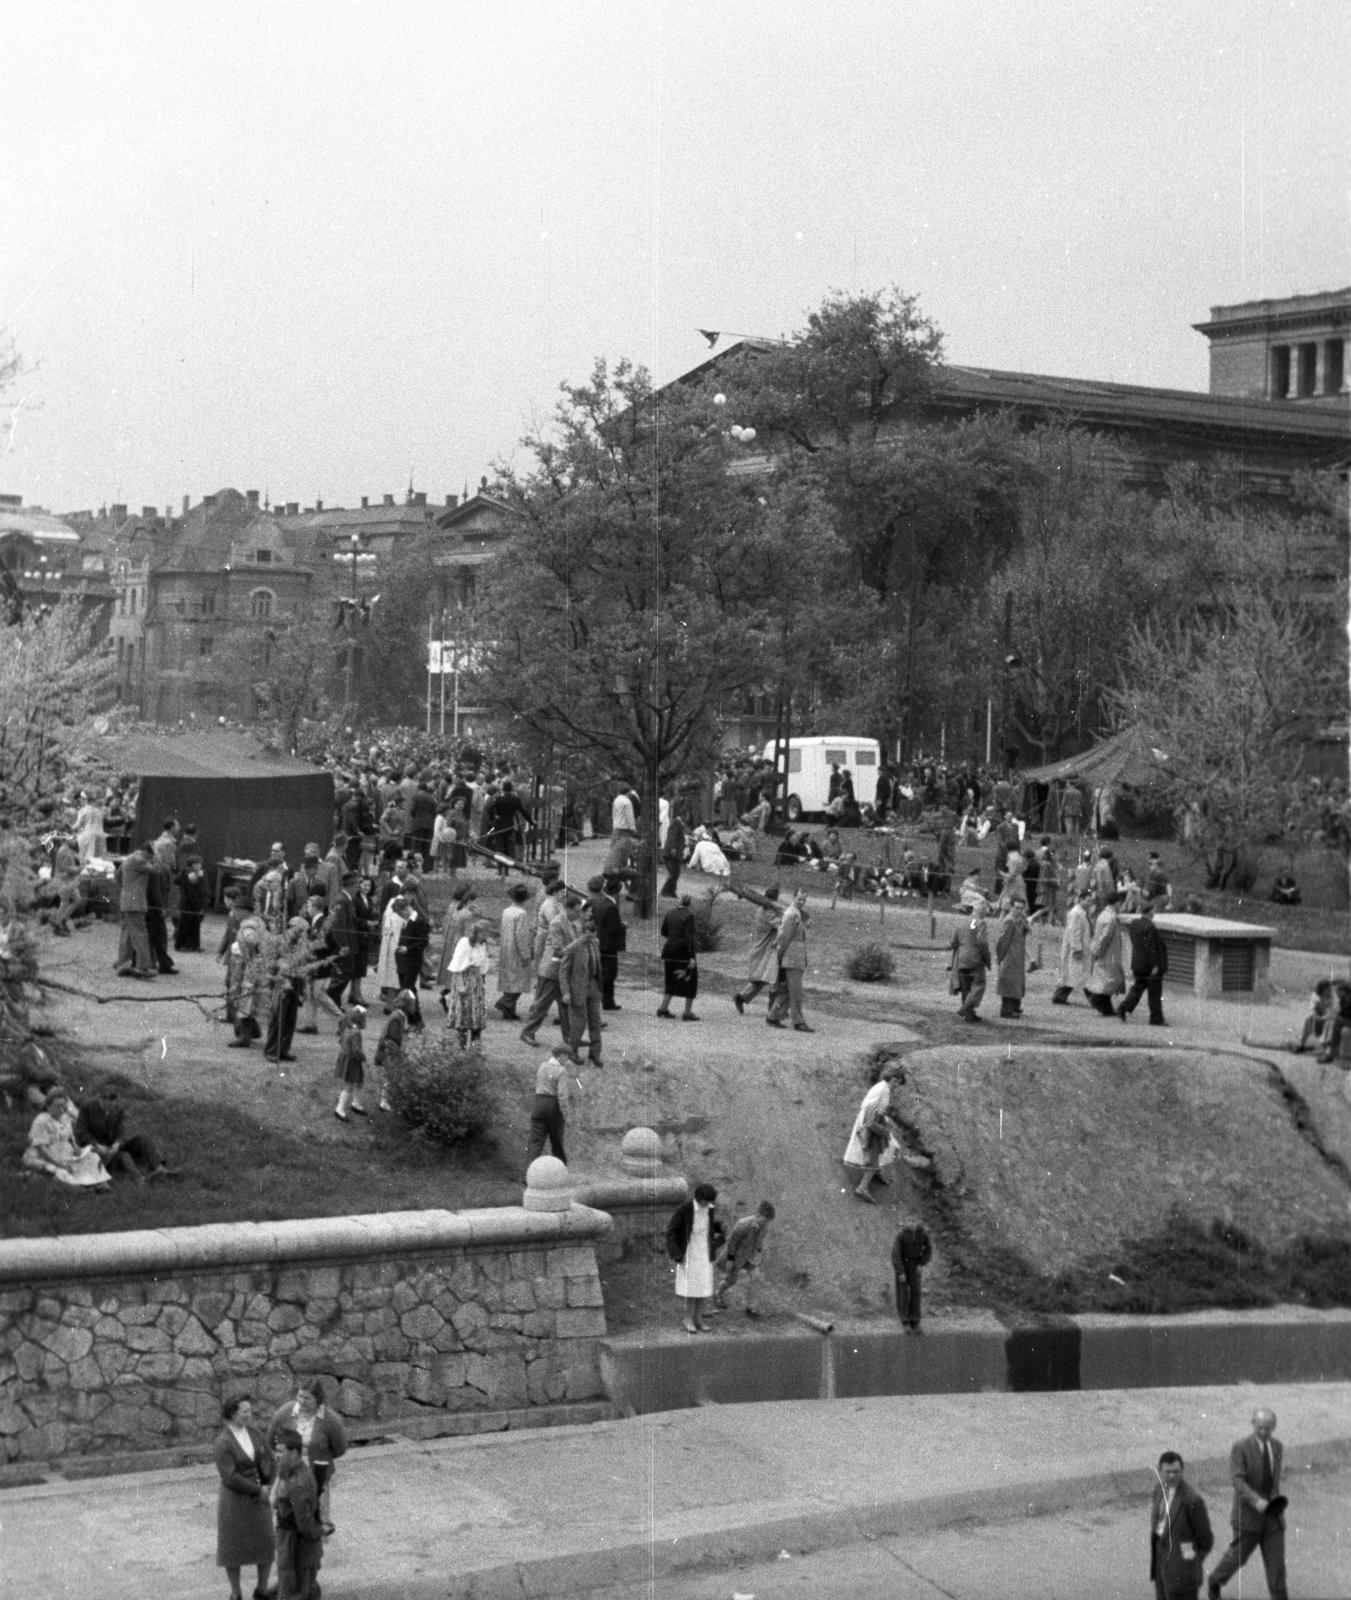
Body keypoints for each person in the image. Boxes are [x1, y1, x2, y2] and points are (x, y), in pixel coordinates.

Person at [1207, 1409, 1286, 1600]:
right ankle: (1216, 1580)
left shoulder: (1277, 1447)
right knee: (1237, 1558)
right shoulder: (1241, 1447)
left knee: (1277, 1569)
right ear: (1253, 1425)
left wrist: (1276, 1504)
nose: (1264, 1432)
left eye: (1268, 1428)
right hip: (1248, 1516)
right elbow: (1237, 1480)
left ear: (1273, 1427)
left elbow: (1274, 1482)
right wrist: (1256, 1500)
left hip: (1272, 1519)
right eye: (1260, 1428)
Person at [267, 1379, 347, 1540]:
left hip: (317, 1468)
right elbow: (271, 1438)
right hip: (290, 1467)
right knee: (285, 1499)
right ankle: (287, 1533)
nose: (302, 1401)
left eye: (307, 1398)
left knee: (318, 1502)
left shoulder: (330, 1420)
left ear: (318, 1399)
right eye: (300, 1397)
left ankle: (319, 1533)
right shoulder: (285, 1412)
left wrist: (321, 1456)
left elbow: (340, 1448)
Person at [214, 1396, 275, 1600]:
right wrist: (258, 1491)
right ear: (232, 1414)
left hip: (259, 1497)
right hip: (235, 1501)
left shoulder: (255, 1433)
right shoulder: (223, 1441)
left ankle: (262, 1589)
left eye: (250, 1411)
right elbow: (230, 1476)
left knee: (265, 1543)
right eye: (243, 1412)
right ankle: (236, 1593)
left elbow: (269, 1458)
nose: (249, 1415)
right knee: (233, 1549)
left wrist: (268, 1484)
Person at [1149, 1449, 1214, 1600]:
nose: (1172, 1476)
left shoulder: (1192, 1500)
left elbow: (1206, 1540)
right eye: (1167, 1472)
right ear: (1160, 1471)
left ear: (1183, 1470)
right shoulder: (1159, 1490)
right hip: (1160, 1557)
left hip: (1182, 1569)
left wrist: (1189, 1560)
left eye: (1176, 1471)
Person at [73, 1090, 178, 1183]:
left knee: (143, 1139)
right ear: (99, 1099)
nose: (109, 1107)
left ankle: (160, 1169)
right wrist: (96, 1145)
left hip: (113, 1146)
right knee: (123, 1155)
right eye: (105, 1103)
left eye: (112, 1103)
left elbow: (120, 1131)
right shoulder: (87, 1107)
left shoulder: (119, 1109)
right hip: (96, 1149)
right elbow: (81, 1132)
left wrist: (117, 1143)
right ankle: (141, 1179)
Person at [271, 1427, 324, 1599]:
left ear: (294, 1453)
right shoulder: (294, 1471)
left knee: (292, 1592)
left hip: (294, 1546)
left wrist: (318, 1533)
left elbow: (304, 1523)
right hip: (293, 1542)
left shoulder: (296, 1484)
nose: (276, 1456)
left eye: (281, 1451)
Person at [665, 1183, 725, 1335]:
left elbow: (707, 1227)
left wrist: (719, 1228)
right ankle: (687, 1319)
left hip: (704, 1252)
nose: (709, 1204)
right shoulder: (685, 1209)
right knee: (690, 1289)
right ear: (699, 1198)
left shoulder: (709, 1209)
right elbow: (672, 1231)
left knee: (703, 1287)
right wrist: (676, 1252)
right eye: (706, 1201)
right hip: (689, 1253)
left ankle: (699, 1319)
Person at [23, 1088, 111, 1188]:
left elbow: (71, 1141)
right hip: (46, 1158)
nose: (61, 1109)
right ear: (48, 1106)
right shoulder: (41, 1120)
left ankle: (101, 1184)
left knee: (93, 1157)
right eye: (57, 1106)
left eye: (63, 1105)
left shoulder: (65, 1118)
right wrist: (59, 1164)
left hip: (66, 1156)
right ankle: (85, 1187)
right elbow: (41, 1149)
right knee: (62, 1172)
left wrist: (81, 1151)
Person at [843, 1066, 905, 1202]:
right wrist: (876, 1127)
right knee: (874, 1154)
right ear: (893, 1079)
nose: (897, 1086)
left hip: (875, 1122)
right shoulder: (881, 1089)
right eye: (897, 1082)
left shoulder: (884, 1088)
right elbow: (869, 1109)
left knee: (888, 1147)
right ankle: (862, 1188)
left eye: (899, 1083)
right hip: (870, 1124)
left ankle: (877, 1172)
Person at [559, 905, 604, 1065]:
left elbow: (597, 967)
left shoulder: (595, 943)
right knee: (578, 1023)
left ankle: (595, 1052)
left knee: (595, 1021)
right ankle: (573, 1051)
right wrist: (565, 992)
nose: (591, 940)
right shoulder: (573, 947)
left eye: (593, 937)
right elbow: (563, 971)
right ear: (583, 934)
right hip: (577, 987)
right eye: (588, 937)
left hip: (593, 985)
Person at [714, 1200, 775, 1317]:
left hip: (750, 1257)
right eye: (766, 1220)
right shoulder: (743, 1224)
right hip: (736, 1256)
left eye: (769, 1221)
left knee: (755, 1278)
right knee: (731, 1280)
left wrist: (758, 1254)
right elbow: (732, 1243)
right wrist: (730, 1260)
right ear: (760, 1216)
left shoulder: (764, 1227)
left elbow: (758, 1244)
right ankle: (718, 1294)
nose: (767, 1223)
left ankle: (750, 1308)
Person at [767, 888, 812, 1032]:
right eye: (799, 899)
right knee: (796, 992)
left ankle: (773, 1016)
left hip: (796, 958)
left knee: (787, 991)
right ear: (793, 898)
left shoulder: (798, 914)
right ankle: (798, 1021)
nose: (802, 902)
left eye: (804, 899)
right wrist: (780, 956)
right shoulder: (791, 914)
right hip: (791, 958)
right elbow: (784, 936)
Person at [733, 884, 782, 1015]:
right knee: (773, 978)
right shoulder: (769, 913)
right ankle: (773, 1009)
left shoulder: (761, 909)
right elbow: (782, 924)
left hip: (762, 947)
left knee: (762, 979)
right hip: (765, 949)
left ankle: (742, 997)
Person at [1119, 902, 1169, 1025]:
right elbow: (1150, 948)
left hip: (1137, 962)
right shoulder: (1150, 927)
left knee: (1138, 987)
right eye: (1153, 910)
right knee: (1155, 993)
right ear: (1151, 911)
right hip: (1149, 965)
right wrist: (1155, 965)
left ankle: (1124, 1007)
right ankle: (1156, 1018)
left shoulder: (1135, 924)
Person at [525, 1044, 575, 1168]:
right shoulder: (561, 1071)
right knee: (557, 1142)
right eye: (567, 1057)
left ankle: (528, 1174)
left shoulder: (542, 1066)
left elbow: (537, 1085)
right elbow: (562, 1095)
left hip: (539, 1103)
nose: (567, 1061)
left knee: (535, 1142)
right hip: (553, 1106)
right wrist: (566, 1114)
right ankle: (560, 1171)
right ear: (562, 1055)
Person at [655, 892, 700, 1021]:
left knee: (670, 978)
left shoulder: (670, 913)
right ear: (690, 903)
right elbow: (689, 937)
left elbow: (664, 931)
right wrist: (692, 957)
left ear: (678, 902)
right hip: (683, 952)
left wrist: (673, 938)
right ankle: (687, 1011)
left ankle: (663, 1007)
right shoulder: (689, 916)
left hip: (669, 949)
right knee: (690, 979)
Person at [446, 920, 491, 1047]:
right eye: (485, 933)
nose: (486, 936)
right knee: (464, 1016)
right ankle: (461, 1047)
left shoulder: (482, 945)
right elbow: (457, 966)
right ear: (478, 932)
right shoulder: (464, 943)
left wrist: (481, 983)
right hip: (464, 978)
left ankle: (474, 1048)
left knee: (477, 1017)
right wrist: (460, 985)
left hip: (476, 983)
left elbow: (481, 967)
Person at [114, 843, 155, 979]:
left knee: (126, 933)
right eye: (151, 855)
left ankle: (123, 963)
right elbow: (155, 869)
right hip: (136, 903)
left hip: (126, 901)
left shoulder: (128, 859)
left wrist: (126, 889)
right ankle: (142, 967)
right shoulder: (140, 860)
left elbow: (117, 876)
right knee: (140, 934)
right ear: (147, 853)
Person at [495, 883, 534, 1021]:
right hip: (516, 950)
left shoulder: (506, 911)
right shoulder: (521, 914)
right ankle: (505, 1002)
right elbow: (521, 936)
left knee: (509, 979)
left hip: (506, 947)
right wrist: (525, 954)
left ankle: (510, 1010)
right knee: (520, 979)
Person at [373, 989, 417, 1112]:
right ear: (406, 1004)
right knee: (389, 1078)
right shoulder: (397, 1018)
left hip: (391, 1051)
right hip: (389, 1053)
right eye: (412, 1004)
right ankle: (384, 1102)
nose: (414, 1006)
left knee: (389, 1077)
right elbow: (392, 1037)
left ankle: (386, 1100)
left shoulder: (400, 1016)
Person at [948, 900, 991, 1023]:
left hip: (961, 959)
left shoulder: (961, 922)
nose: (986, 913)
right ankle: (965, 1009)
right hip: (975, 960)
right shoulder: (981, 923)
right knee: (979, 984)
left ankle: (969, 1014)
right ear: (980, 911)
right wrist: (987, 960)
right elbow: (982, 943)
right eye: (985, 910)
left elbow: (953, 941)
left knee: (966, 986)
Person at [590, 873, 627, 1010]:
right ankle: (607, 1001)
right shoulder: (611, 906)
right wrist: (623, 926)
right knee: (609, 974)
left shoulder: (601, 902)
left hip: (600, 941)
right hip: (608, 944)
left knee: (601, 972)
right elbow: (613, 928)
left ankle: (604, 999)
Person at [1086, 890, 1126, 1016]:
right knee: (1108, 981)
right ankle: (1100, 1003)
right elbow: (1104, 938)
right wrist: (1098, 952)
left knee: (1105, 981)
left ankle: (1106, 1007)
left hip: (1105, 954)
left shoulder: (1103, 915)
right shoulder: (1111, 918)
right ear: (1116, 903)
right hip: (1108, 955)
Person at [1052, 887, 1093, 1004]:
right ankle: (1093, 999)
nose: (1089, 903)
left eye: (1091, 901)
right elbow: (1074, 932)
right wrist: (1077, 949)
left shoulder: (1081, 913)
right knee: (1076, 975)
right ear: (1081, 899)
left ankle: (1060, 996)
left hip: (1081, 948)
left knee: (1076, 975)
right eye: (1088, 901)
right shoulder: (1076, 913)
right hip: (1076, 950)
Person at [892, 1222, 933, 1332]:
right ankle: (905, 1322)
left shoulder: (922, 1234)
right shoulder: (902, 1235)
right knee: (902, 1294)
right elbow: (896, 1254)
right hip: (903, 1264)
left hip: (915, 1265)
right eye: (910, 1220)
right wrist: (900, 1272)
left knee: (916, 1292)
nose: (912, 1223)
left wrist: (921, 1264)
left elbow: (928, 1249)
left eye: (915, 1220)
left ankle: (915, 1322)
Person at [333, 1005, 368, 1122]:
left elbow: (341, 1041)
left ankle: (356, 1103)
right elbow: (356, 1050)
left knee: (359, 1081)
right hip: (352, 1062)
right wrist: (364, 1058)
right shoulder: (356, 1032)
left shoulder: (347, 1028)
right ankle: (340, 1109)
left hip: (346, 1059)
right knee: (349, 1085)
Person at [995, 896, 1028, 1019]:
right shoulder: (1009, 920)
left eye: (1021, 908)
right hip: (1010, 955)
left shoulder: (1019, 918)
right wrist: (1000, 955)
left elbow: (1027, 930)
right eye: (1016, 908)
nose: (1019, 910)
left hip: (1018, 955)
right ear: (1011, 907)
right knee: (1009, 982)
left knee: (1017, 981)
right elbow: (1004, 940)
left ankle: (1015, 1006)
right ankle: (1006, 1010)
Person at [174, 855, 210, 951]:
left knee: (195, 925)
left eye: (199, 863)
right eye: (197, 864)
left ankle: (194, 945)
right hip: (189, 903)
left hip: (193, 903)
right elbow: (192, 892)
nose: (199, 865)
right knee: (184, 925)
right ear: (192, 866)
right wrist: (199, 906)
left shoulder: (197, 873)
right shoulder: (190, 875)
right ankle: (181, 945)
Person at [1292, 979, 1334, 1055]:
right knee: (1309, 1019)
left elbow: (1332, 1014)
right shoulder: (1315, 996)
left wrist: (1322, 1018)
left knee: (1330, 1023)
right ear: (1321, 990)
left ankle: (1328, 1047)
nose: (1329, 992)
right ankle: (1302, 1045)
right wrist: (1316, 1017)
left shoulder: (1333, 999)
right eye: (1327, 990)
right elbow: (1312, 1009)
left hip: (1327, 1019)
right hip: (1318, 1018)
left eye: (1330, 990)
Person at [660, 810, 686, 898]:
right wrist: (673, 848)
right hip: (671, 853)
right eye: (687, 816)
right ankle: (665, 891)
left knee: (676, 873)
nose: (688, 818)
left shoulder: (680, 824)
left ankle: (671, 892)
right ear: (683, 815)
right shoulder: (676, 823)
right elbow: (673, 836)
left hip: (676, 853)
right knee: (673, 873)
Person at [74, 791, 105, 864]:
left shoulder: (83, 810)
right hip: (99, 836)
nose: (79, 802)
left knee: (86, 858)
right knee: (98, 859)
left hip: (86, 836)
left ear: (84, 799)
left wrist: (69, 827)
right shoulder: (99, 811)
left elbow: (78, 825)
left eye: (80, 800)